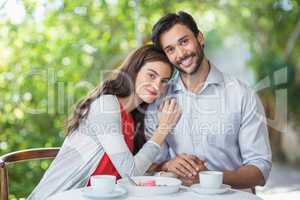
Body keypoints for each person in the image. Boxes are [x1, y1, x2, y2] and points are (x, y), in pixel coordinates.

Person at [27, 44, 182, 199]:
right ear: (134, 71)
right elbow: (131, 172)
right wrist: (163, 129)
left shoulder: (132, 117)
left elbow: (124, 172)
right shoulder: (106, 105)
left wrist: (161, 173)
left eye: (164, 81)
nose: (157, 86)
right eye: (151, 75)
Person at [145, 11, 272, 190]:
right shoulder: (159, 100)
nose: (181, 54)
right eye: (170, 49)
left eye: (184, 41)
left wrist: (208, 177)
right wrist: (166, 165)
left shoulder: (242, 95)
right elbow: (149, 167)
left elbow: (260, 170)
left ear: (200, 38)